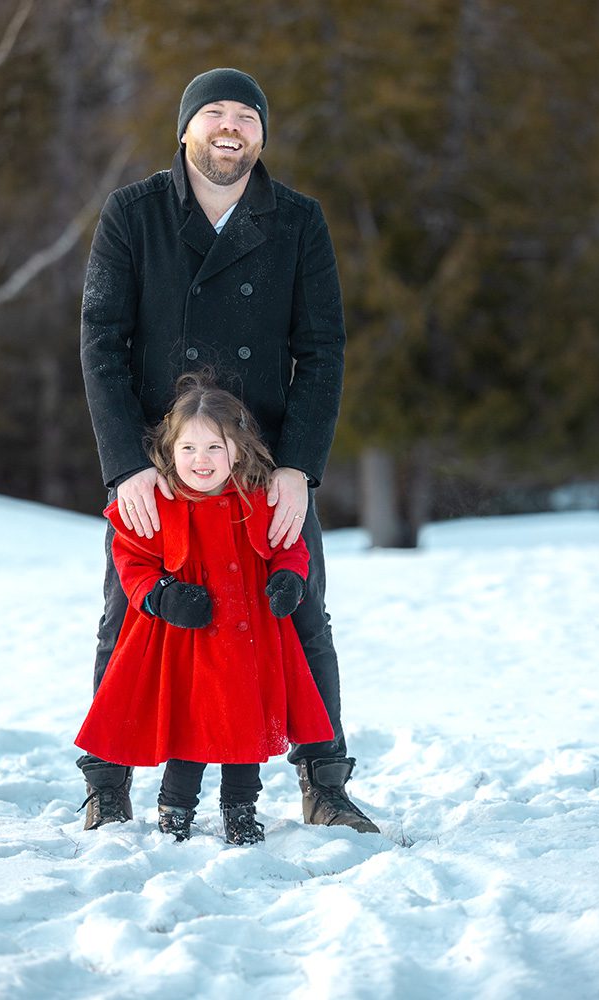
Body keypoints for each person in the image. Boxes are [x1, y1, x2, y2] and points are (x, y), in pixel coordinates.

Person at [79, 66, 379, 834]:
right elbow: (100, 342)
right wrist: (126, 466)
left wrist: (298, 469)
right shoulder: (133, 213)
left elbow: (321, 349)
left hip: (265, 464)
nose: (230, 126)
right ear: (185, 128)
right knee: (130, 616)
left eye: (246, 116)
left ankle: (325, 782)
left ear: (260, 135)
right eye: (213, 111)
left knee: (300, 613)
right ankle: (106, 784)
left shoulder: (297, 220)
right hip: (164, 463)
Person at [76, 375, 334, 844]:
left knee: (246, 728)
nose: (202, 460)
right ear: (169, 452)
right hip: (187, 646)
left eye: (215, 448)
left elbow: (289, 546)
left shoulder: (258, 498)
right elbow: (131, 560)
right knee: (189, 728)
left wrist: (288, 580)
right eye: (189, 449)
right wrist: (161, 596)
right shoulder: (159, 504)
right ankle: (176, 807)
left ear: (237, 449)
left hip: (247, 641)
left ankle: (240, 808)